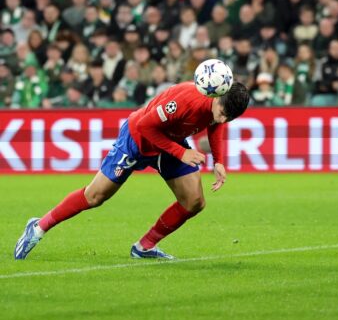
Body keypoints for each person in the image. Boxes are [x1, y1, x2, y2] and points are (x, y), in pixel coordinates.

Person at [14, 81, 250, 260]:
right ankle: (38, 226)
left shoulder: (218, 106)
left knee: (194, 201)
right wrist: (181, 153)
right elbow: (144, 125)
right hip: (137, 141)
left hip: (169, 145)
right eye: (223, 112)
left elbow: (215, 122)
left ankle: (144, 247)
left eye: (229, 117)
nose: (223, 119)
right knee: (95, 197)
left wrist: (219, 160)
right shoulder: (185, 100)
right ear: (216, 96)